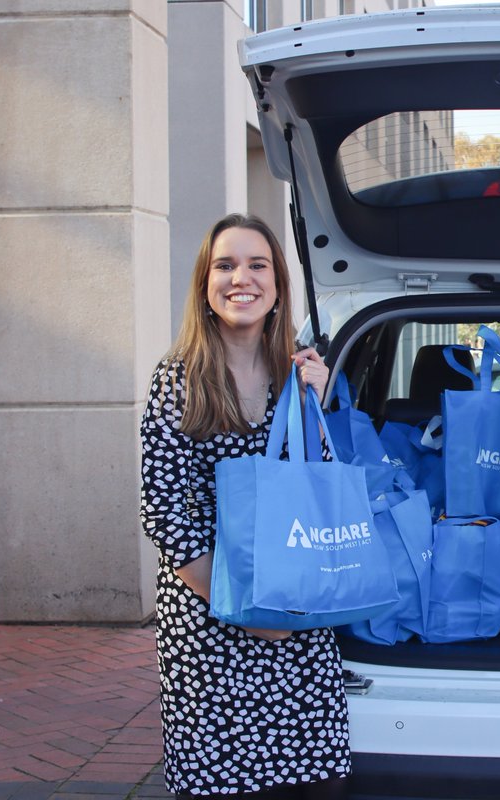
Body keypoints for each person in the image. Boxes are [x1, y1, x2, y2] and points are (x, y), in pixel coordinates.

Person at [140, 213, 350, 799]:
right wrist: (247, 610)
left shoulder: (297, 374)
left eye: (257, 265)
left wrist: (317, 405)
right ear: (205, 285)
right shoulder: (179, 379)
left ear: (278, 283)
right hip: (209, 619)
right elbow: (163, 511)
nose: (242, 279)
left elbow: (319, 495)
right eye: (225, 266)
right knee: (220, 783)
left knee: (314, 780)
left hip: (295, 613)